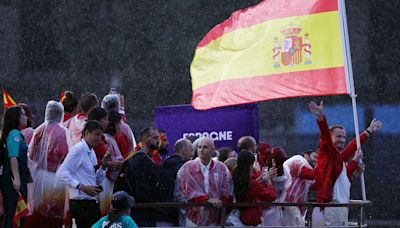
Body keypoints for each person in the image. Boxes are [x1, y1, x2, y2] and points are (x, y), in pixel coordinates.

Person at [309, 101, 382, 226]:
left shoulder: (338, 159)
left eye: (343, 137)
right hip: (330, 209)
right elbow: (327, 137)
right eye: (338, 136)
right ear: (330, 138)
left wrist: (354, 163)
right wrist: (321, 118)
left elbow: (343, 170)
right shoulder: (327, 151)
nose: (342, 140)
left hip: (336, 209)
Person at [56, 120, 110, 228]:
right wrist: (82, 187)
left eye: (100, 135)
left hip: (91, 201)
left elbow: (96, 180)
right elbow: (61, 173)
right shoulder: (78, 149)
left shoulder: (91, 151)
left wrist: (104, 166)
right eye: (96, 134)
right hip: (81, 202)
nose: (99, 138)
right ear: (86, 134)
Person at [26, 101, 71, 227]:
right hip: (54, 177)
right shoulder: (61, 131)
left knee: (38, 209)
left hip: (39, 175)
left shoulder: (39, 129)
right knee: (54, 211)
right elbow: (64, 155)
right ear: (60, 114)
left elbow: (31, 155)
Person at [175, 137, 231, 226]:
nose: (201, 150)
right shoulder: (187, 168)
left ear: (213, 150)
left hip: (215, 220)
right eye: (199, 147)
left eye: (205, 147)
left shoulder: (221, 168)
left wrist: (220, 206)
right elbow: (185, 192)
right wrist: (207, 200)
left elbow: (227, 191)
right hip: (192, 219)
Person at [114, 127, 160, 227]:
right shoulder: (140, 160)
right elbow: (142, 189)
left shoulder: (141, 158)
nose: (158, 141)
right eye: (155, 138)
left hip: (141, 209)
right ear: (146, 139)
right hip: (141, 210)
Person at [0, 106, 32, 228]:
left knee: (10, 213)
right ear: (16, 118)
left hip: (11, 178)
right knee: (13, 213)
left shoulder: (12, 134)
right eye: (23, 115)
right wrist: (17, 178)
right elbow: (13, 156)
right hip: (13, 179)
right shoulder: (14, 134)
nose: (26, 117)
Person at [232, 151, 277, 226]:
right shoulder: (251, 183)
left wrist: (260, 179)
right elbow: (271, 196)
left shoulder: (234, 176)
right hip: (249, 219)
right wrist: (268, 182)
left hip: (235, 216)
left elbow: (248, 186)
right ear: (250, 165)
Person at [156, 138, 194, 226]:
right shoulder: (185, 168)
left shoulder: (161, 166)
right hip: (178, 213)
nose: (192, 154)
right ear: (184, 150)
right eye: (191, 150)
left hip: (161, 213)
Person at [282, 150, 317, 226]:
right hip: (289, 203)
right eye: (314, 156)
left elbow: (316, 185)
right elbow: (309, 174)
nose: (316, 160)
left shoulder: (309, 169)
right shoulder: (297, 161)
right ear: (306, 156)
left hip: (296, 206)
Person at [99, 110, 124, 215]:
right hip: (107, 181)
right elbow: (108, 161)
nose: (120, 126)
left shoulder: (111, 139)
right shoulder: (108, 140)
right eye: (119, 123)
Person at [262, 147, 288, 226]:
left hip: (277, 209)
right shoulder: (264, 170)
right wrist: (267, 177)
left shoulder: (285, 170)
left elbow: (285, 189)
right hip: (265, 208)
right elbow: (257, 186)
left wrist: (281, 202)